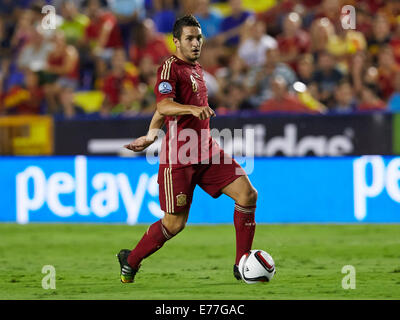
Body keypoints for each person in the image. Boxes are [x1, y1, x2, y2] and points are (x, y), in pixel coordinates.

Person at [117, 15, 258, 283]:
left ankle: (242, 263)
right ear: (176, 41)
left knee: (248, 195)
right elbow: (164, 105)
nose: (196, 43)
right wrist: (191, 109)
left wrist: (150, 135)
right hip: (179, 157)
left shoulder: (196, 69)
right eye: (190, 38)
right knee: (174, 224)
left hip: (206, 150)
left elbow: (164, 108)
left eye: (199, 38)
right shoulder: (169, 68)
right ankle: (131, 259)